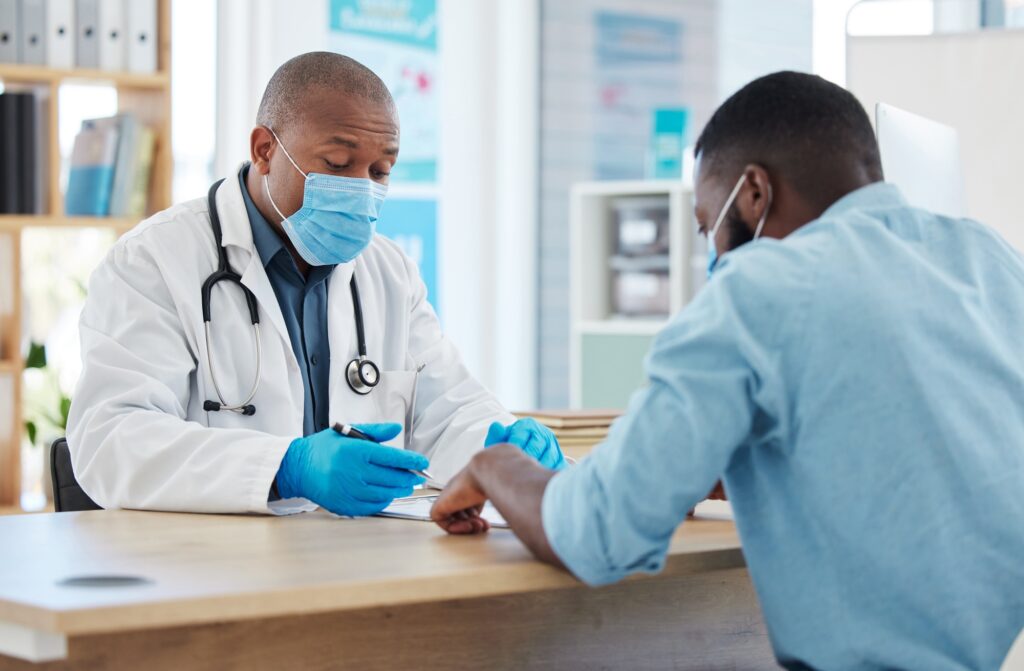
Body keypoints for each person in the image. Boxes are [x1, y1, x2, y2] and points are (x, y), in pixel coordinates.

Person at [430, 71, 1024, 669]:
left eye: (706, 225)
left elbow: (597, 532)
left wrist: (495, 464)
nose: (712, 253)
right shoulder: (990, 259)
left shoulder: (756, 289)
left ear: (755, 193)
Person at [67, 52, 564, 516]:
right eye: (338, 164)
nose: (362, 189)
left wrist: (500, 450)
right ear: (264, 150)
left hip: (354, 557)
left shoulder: (388, 271)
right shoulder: (153, 260)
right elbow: (111, 439)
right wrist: (285, 467)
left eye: (380, 171)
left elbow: (446, 409)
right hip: (210, 561)